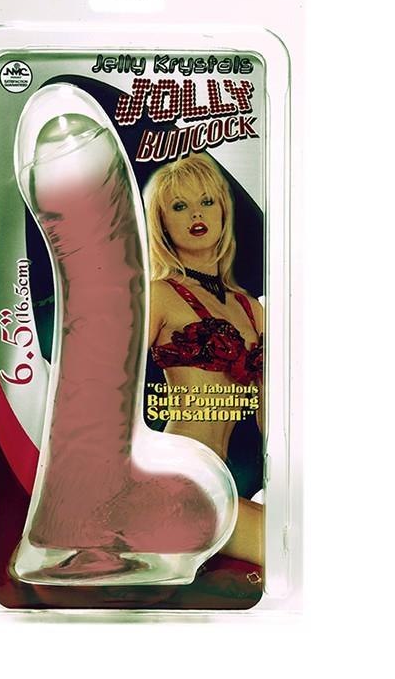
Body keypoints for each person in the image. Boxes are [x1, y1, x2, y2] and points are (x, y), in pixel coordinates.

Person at [143, 153, 264, 566]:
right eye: (180, 206)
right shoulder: (158, 294)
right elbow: (105, 388)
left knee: (298, 538)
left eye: (206, 201)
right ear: (162, 223)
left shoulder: (251, 309)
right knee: (292, 550)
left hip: (224, 482)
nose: (196, 213)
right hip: (175, 478)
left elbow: (271, 417)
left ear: (223, 211)